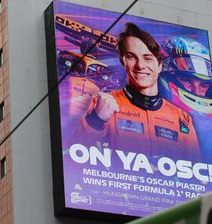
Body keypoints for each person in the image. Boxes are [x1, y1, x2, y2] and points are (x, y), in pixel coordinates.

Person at [77, 23, 202, 161]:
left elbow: (196, 172)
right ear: (123, 62)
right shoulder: (102, 104)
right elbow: (72, 157)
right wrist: (95, 120)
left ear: (160, 65)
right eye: (131, 57)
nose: (140, 65)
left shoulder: (182, 119)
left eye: (148, 58)